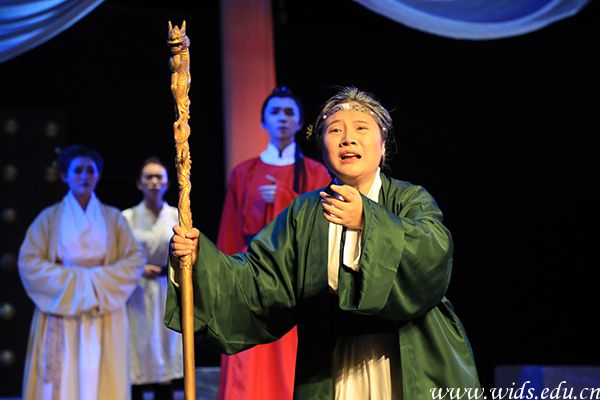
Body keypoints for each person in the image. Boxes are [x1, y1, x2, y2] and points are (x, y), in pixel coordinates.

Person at [167, 86, 480, 399]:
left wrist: (368, 220)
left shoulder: (409, 200)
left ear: (383, 144)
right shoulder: (304, 213)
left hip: (406, 357)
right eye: (335, 130)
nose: (348, 139)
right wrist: (200, 260)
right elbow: (259, 280)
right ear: (322, 146)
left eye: (361, 128)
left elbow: (431, 256)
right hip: (332, 366)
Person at [215, 86, 331, 400]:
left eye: (289, 112)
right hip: (252, 276)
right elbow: (230, 230)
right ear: (263, 121)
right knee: (248, 360)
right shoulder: (244, 173)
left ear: (299, 122)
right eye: (275, 112)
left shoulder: (317, 173)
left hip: (295, 277)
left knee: (290, 358)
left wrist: (284, 198)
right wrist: (226, 278)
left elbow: (320, 226)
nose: (282, 118)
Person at [18, 144, 145, 400]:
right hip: (61, 307)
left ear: (98, 175)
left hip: (103, 306)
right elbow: (29, 261)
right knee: (62, 376)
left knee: (100, 376)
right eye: (77, 171)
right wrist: (76, 283)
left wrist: (96, 284)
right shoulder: (49, 218)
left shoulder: (113, 218)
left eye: (90, 170)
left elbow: (134, 259)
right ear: (65, 176)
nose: (84, 176)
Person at [122, 157, 183, 400]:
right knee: (138, 348)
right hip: (136, 290)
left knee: (165, 349)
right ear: (140, 183)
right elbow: (118, 256)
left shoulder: (177, 215)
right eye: (149, 177)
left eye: (159, 177)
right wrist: (138, 268)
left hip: (166, 288)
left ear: (167, 183)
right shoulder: (127, 217)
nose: (154, 182)